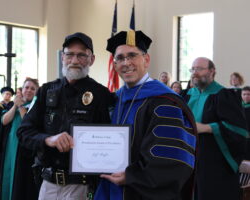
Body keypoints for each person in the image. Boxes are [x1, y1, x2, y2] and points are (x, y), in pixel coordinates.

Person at [94, 30, 197, 200]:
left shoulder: (164, 102)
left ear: (146, 60)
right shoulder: (117, 99)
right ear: (114, 64)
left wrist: (131, 176)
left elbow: (172, 159)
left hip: (144, 192)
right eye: (120, 58)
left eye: (132, 55)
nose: (126, 63)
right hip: (110, 187)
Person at [17, 32, 115, 200]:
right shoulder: (46, 91)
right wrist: (49, 139)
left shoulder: (101, 95)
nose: (75, 61)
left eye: (81, 55)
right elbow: (24, 132)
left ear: (91, 59)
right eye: (69, 54)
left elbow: (109, 142)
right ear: (63, 57)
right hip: (47, 183)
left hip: (82, 186)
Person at [185, 57, 248, 200]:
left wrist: (208, 128)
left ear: (212, 71)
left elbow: (239, 130)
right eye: (193, 69)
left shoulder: (224, 95)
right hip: (187, 160)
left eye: (200, 69)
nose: (195, 73)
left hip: (214, 164)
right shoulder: (186, 96)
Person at [0, 78, 39, 200]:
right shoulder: (14, 103)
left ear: (36, 92)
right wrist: (15, 105)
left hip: (26, 148)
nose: (29, 90)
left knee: (22, 180)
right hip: (12, 146)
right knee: (9, 174)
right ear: (22, 90)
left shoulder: (37, 106)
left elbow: (28, 123)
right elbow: (4, 121)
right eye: (26, 87)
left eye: (32, 88)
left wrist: (21, 107)